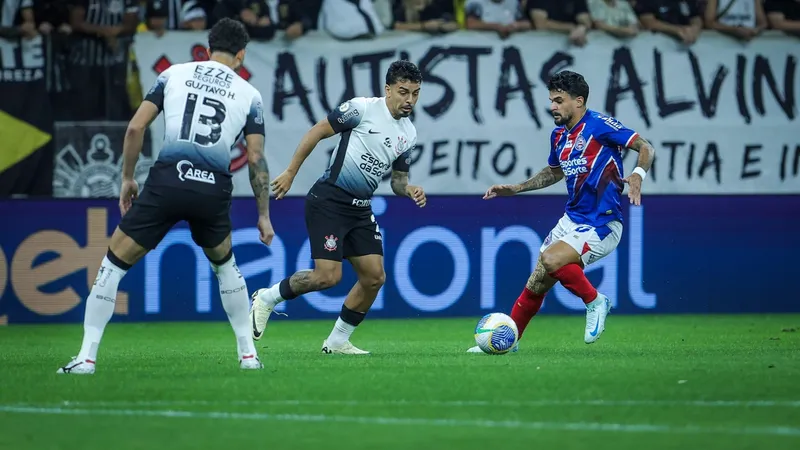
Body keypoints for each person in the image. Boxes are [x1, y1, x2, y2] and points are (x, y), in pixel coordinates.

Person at [57, 18, 275, 374]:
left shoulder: (173, 74)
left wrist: (127, 178)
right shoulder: (250, 94)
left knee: (112, 266)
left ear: (207, 49)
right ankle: (248, 355)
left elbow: (135, 127)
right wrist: (263, 215)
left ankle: (86, 357)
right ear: (241, 55)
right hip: (213, 187)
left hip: (168, 180)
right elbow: (255, 158)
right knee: (225, 266)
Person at [467, 70, 655, 352]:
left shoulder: (600, 125)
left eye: (558, 100)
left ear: (578, 101)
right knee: (538, 280)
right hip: (572, 219)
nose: (552, 106)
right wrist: (518, 188)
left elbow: (645, 147)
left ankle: (595, 301)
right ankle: (511, 340)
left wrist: (638, 173)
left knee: (550, 258)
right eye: (551, 100)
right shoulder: (559, 136)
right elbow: (554, 172)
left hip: (602, 223)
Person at [249, 60, 427, 355]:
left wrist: (409, 190)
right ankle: (266, 298)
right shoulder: (362, 109)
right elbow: (317, 131)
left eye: (416, 93)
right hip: (329, 200)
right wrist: (291, 172)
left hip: (360, 209)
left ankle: (337, 341)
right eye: (403, 91)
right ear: (388, 89)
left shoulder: (408, 134)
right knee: (327, 277)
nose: (410, 100)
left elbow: (397, 181)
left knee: (374, 277)